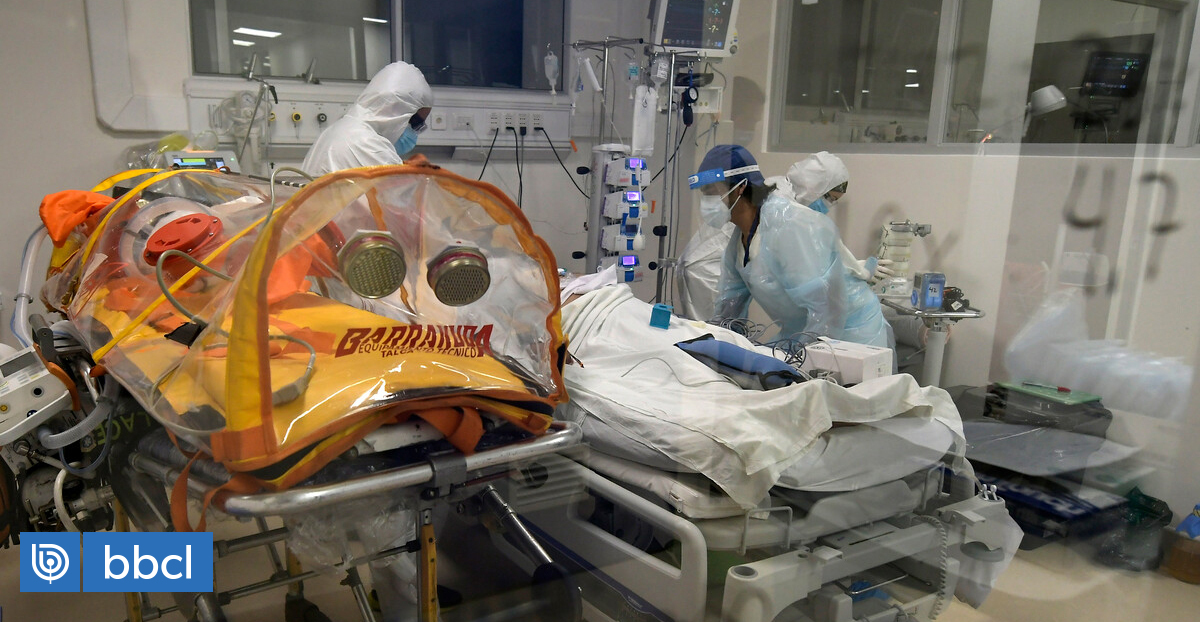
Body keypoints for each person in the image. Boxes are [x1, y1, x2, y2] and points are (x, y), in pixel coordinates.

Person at [695, 145, 892, 349]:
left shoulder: (789, 224)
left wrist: (798, 358)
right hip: (801, 332)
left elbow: (827, 311)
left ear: (740, 188)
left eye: (712, 192)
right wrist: (709, 340)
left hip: (850, 333)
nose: (706, 202)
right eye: (703, 193)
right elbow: (729, 309)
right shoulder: (739, 239)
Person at [768, 151, 894, 283]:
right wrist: (860, 271)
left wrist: (853, 266)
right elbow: (802, 267)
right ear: (813, 187)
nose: (828, 206)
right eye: (830, 198)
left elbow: (815, 257)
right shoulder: (784, 209)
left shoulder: (781, 191)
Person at [301, 61, 434, 176]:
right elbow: (401, 196)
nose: (414, 133)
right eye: (417, 124)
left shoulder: (336, 130)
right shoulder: (369, 146)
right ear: (399, 113)